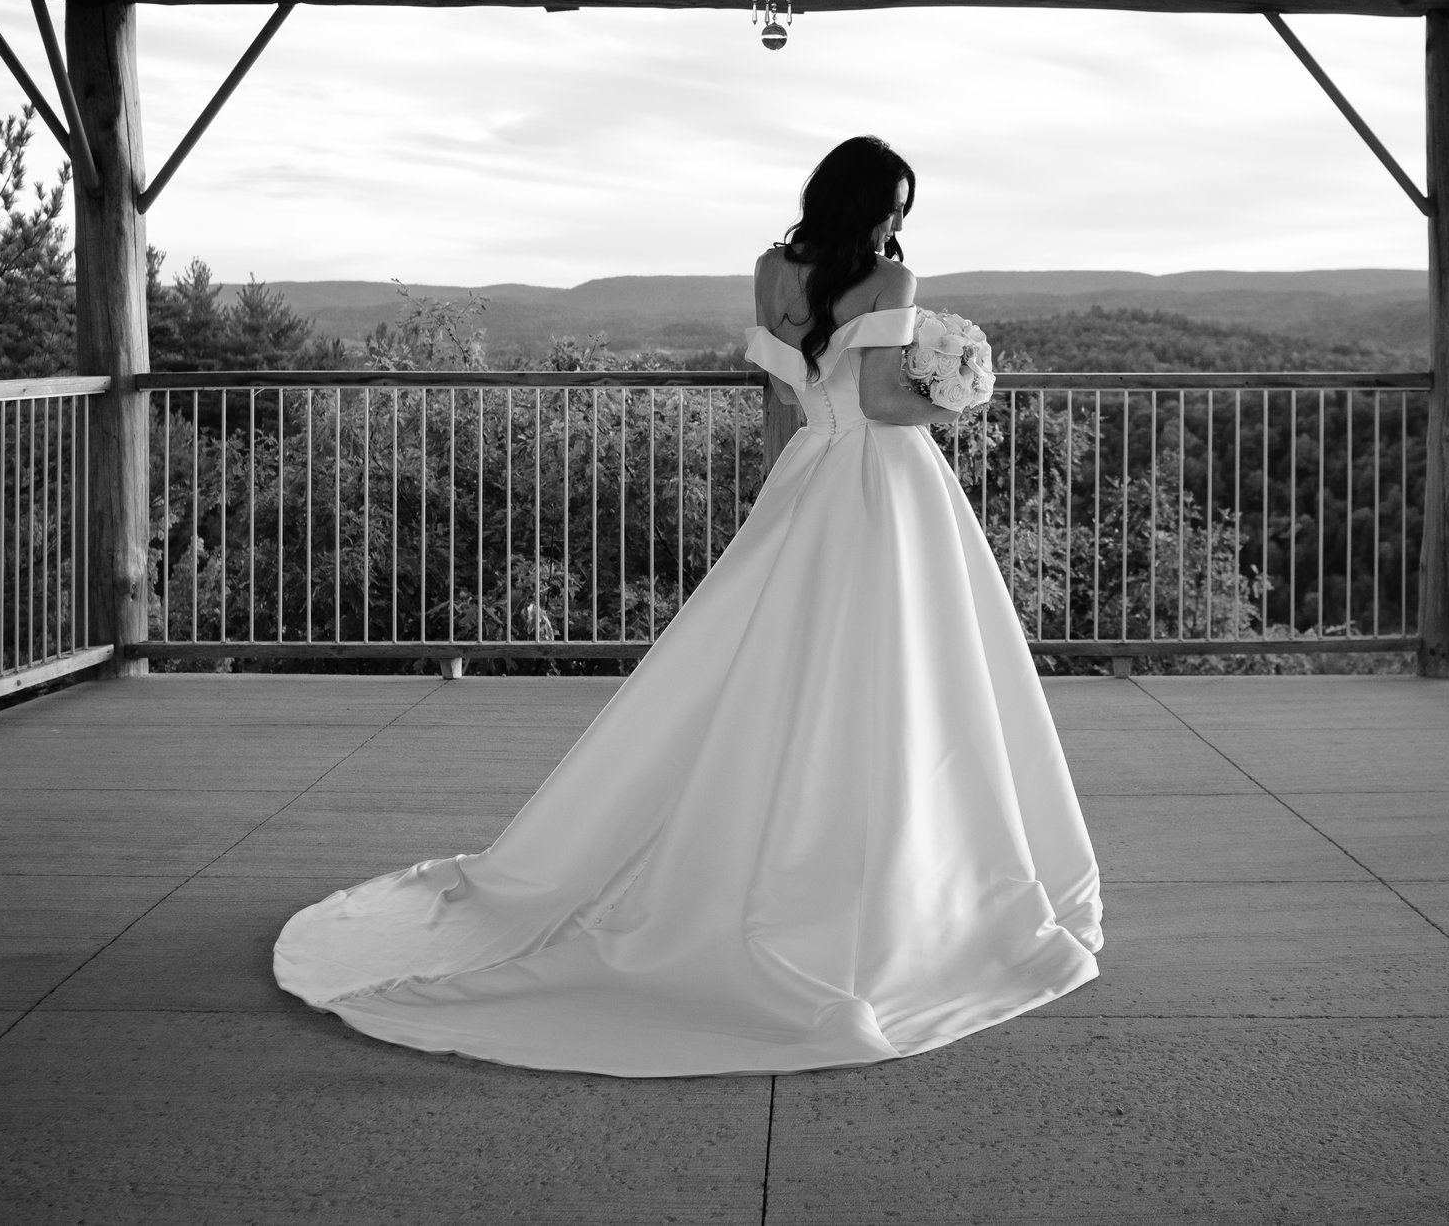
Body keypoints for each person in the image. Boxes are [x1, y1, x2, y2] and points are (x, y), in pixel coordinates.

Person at [274, 136, 1103, 1076]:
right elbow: (878, 400)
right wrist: (958, 399)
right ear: (863, 202)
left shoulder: (770, 269)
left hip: (807, 476)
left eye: (903, 211)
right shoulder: (893, 280)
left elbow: (782, 405)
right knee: (900, 667)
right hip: (883, 483)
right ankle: (871, 863)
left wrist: (779, 486)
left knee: (779, 662)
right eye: (892, 206)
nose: (898, 224)